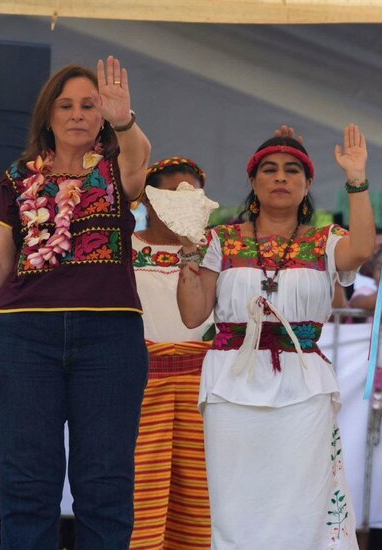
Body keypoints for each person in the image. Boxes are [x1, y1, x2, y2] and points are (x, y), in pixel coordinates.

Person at [176, 125, 382, 548]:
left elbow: (361, 249)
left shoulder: (326, 240)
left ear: (307, 185)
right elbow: (193, 314)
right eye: (269, 169)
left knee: (303, 501)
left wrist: (356, 178)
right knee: (236, 500)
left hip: (303, 385)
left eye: (292, 170)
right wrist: (188, 254)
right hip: (231, 383)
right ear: (253, 183)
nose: (280, 177)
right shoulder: (219, 239)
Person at [0, 57, 152, 548]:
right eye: (65, 105)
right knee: (27, 479)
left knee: (105, 480)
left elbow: (139, 161)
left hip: (109, 337)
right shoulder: (18, 176)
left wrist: (124, 121)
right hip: (23, 336)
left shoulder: (115, 168)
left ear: (101, 115)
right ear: (47, 115)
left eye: (89, 105)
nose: (77, 114)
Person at [130, 157, 212, 549]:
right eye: (173, 193)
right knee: (138, 489)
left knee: (199, 494)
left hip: (202, 386)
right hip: (139, 385)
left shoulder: (214, 251)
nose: (184, 200)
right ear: (148, 198)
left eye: (192, 194)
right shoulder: (123, 248)